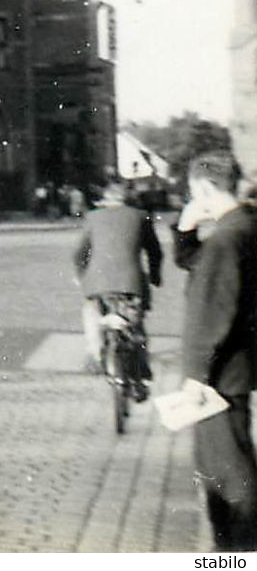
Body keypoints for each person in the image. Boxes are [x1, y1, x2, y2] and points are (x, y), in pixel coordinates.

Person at [176, 151, 257, 551]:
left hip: (219, 375)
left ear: (205, 189)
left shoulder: (226, 238)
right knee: (227, 462)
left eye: (193, 192)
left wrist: (195, 376)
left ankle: (238, 554)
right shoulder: (243, 226)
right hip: (237, 366)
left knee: (226, 473)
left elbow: (211, 310)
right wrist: (186, 233)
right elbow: (201, 265)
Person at [72, 179, 162, 392]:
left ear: (106, 200)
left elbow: (79, 253)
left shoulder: (93, 217)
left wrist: (81, 275)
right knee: (136, 327)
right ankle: (142, 375)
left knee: (92, 313)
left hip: (97, 284)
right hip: (131, 283)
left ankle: (94, 354)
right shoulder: (141, 217)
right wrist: (155, 277)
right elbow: (155, 252)